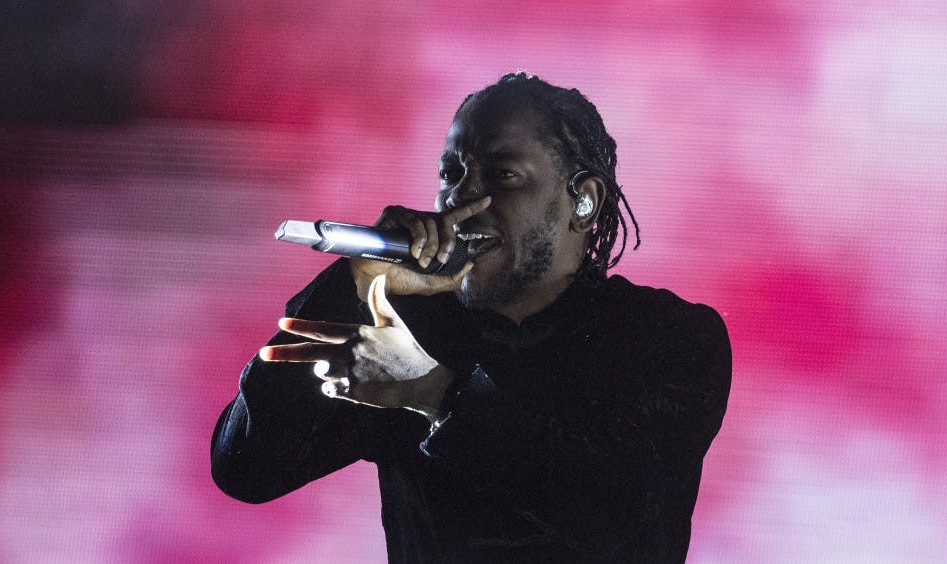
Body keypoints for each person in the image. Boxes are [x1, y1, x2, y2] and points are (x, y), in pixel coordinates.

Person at [211, 72, 731, 563]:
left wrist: (435, 393)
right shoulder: (406, 326)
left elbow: (608, 509)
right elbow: (246, 469)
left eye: (502, 175)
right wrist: (353, 282)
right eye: (451, 174)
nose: (460, 195)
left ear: (584, 202)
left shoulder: (672, 336)